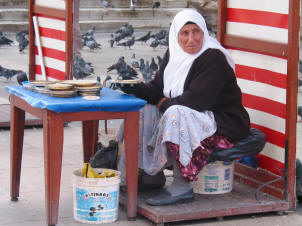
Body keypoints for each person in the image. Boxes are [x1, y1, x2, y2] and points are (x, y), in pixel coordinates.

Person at [116, 9, 250, 206]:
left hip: (223, 123)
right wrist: (136, 88)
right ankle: (151, 174)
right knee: (143, 108)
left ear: (204, 32)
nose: (191, 39)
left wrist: (163, 102)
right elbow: (157, 88)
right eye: (184, 33)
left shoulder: (213, 58)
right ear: (176, 35)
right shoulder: (174, 52)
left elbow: (197, 101)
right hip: (193, 114)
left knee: (175, 113)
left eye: (196, 31)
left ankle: (182, 186)